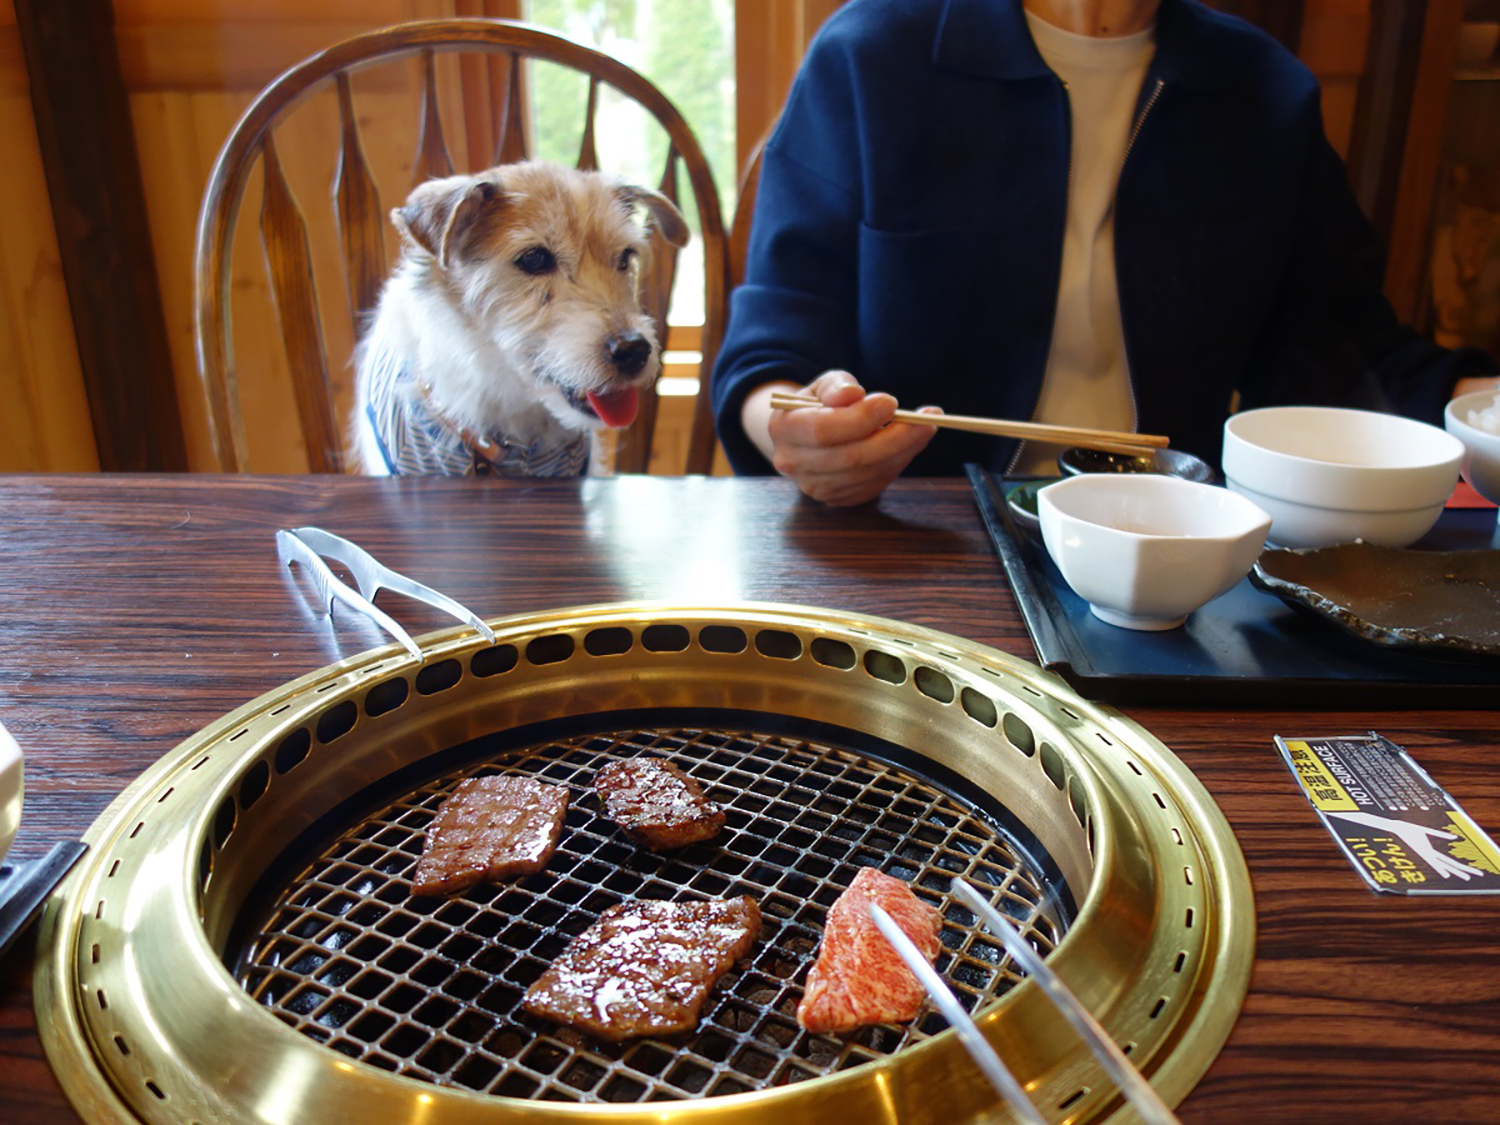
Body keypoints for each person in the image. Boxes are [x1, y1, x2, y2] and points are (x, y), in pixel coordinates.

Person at [710, 0, 1500, 505]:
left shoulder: (1262, 92)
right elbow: (770, 360)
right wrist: (801, 434)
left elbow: (1345, 356)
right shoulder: (870, 57)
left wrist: (1482, 406)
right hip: (918, 541)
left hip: (1166, 548)